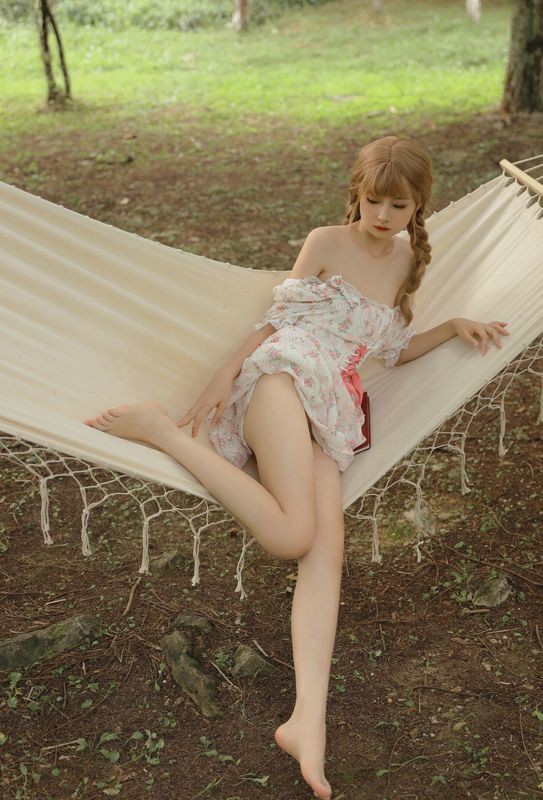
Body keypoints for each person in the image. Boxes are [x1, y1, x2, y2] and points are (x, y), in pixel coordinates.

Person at [84, 136, 509, 800]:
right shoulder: (325, 242)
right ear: (356, 193)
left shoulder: (406, 260)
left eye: (398, 206)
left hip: (329, 407)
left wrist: (452, 324)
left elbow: (391, 349)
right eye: (373, 201)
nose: (382, 216)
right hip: (280, 377)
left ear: (418, 206)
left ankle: (307, 720)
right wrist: (224, 375)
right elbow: (273, 321)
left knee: (324, 554)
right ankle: (164, 432)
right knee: (290, 537)